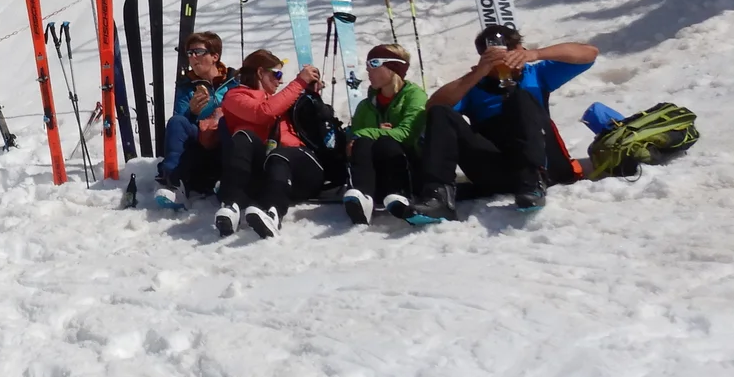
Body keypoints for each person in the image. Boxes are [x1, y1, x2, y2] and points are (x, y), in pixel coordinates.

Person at [411, 24, 599, 221]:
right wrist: (478, 73)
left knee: (519, 97)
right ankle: (439, 197)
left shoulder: (535, 74)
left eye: (513, 52)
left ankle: (532, 182)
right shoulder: (475, 85)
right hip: (498, 171)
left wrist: (535, 54)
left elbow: (589, 53)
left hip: (546, 166)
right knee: (442, 112)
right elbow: (434, 105)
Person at [216, 51, 323, 239]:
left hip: (302, 165)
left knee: (279, 155)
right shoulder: (235, 97)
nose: (280, 81)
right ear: (260, 73)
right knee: (244, 136)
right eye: (277, 74)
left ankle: (273, 214)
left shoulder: (283, 98)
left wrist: (310, 91)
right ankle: (232, 206)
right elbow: (263, 112)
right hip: (270, 174)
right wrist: (298, 83)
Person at [342, 44, 428, 224]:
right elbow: (352, 143)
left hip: (408, 170)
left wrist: (372, 133)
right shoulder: (365, 106)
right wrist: (361, 138)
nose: (367, 69)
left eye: (373, 63)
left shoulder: (414, 96)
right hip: (375, 175)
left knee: (385, 142)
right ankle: (364, 197)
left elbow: (407, 134)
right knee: (364, 142)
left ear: (393, 67)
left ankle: (400, 195)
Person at [155, 32, 236, 208]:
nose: (193, 58)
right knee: (177, 121)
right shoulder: (186, 86)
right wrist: (192, 112)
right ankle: (173, 181)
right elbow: (179, 123)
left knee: (226, 123)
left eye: (198, 52)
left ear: (215, 56)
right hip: (199, 142)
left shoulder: (234, 82)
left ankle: (231, 184)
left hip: (225, 142)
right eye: (189, 53)